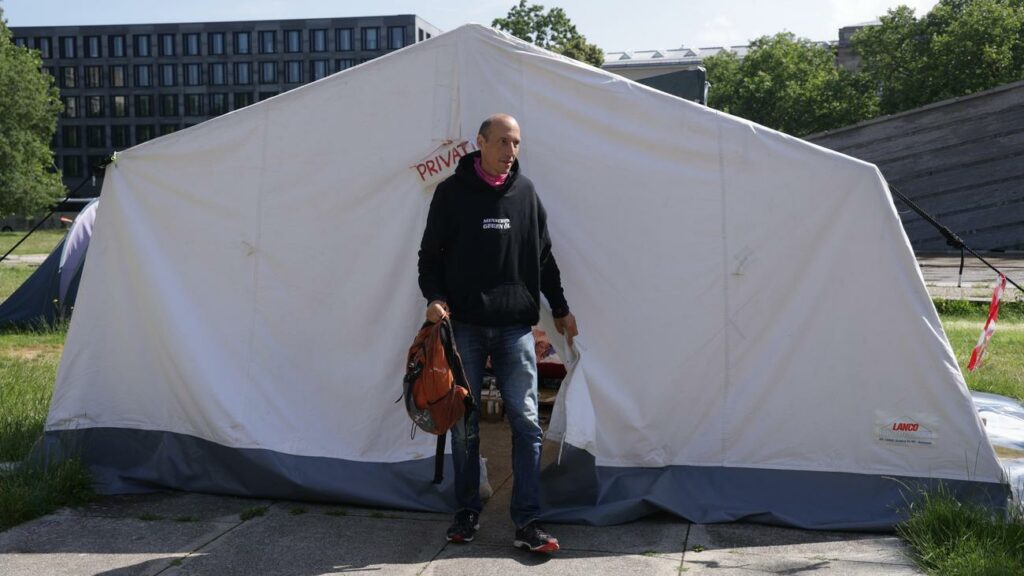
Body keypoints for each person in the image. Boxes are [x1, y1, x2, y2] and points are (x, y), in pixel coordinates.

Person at [418, 113, 578, 553]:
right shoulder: (450, 194)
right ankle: (467, 510)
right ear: (481, 144)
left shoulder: (526, 194)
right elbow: (428, 258)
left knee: (526, 423)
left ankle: (527, 522)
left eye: (518, 144)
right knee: (465, 424)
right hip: (464, 328)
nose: (511, 152)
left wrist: (561, 308)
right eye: (504, 143)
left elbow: (544, 257)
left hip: (514, 331)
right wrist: (433, 297)